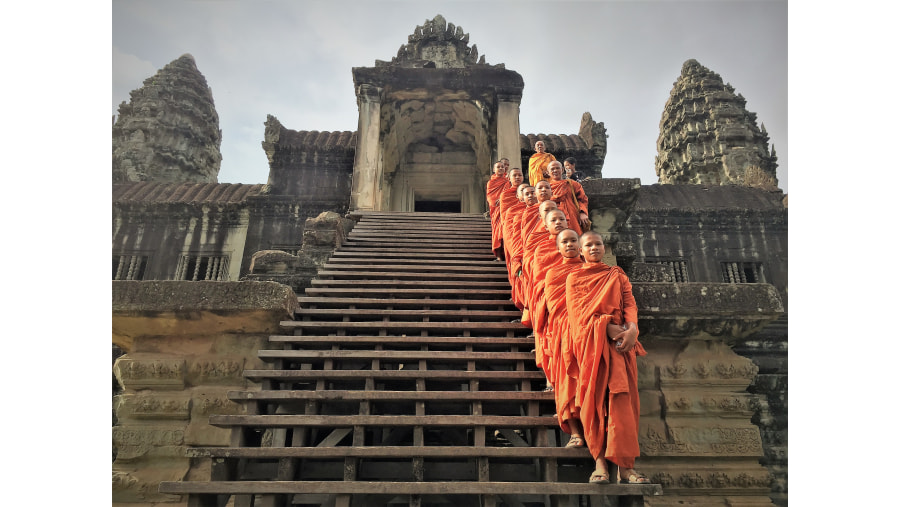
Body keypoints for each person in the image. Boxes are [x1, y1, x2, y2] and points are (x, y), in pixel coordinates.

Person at [565, 231, 649, 485]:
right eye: (588, 245)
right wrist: (612, 329)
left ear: (604, 248)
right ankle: (599, 464)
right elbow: (578, 318)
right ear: (581, 251)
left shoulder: (616, 275)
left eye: (598, 244)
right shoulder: (574, 278)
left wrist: (632, 329)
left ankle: (626, 468)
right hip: (592, 349)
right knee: (594, 406)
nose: (593, 248)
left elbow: (629, 304)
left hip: (621, 349)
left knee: (622, 406)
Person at [540, 228, 584, 440]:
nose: (569, 245)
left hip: (590, 333)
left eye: (573, 240)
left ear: (580, 244)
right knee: (567, 380)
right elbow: (554, 306)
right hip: (564, 332)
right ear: (558, 248)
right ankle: (575, 433)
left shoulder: (596, 272)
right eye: (564, 242)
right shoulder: (553, 273)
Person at [528, 208, 569, 388]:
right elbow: (537, 279)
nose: (558, 222)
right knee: (550, 342)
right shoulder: (542, 249)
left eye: (562, 219)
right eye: (553, 220)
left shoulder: (577, 247)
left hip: (573, 306)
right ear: (545, 225)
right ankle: (551, 380)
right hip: (550, 302)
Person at [507, 185, 536, 310]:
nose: (530, 196)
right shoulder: (518, 216)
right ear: (521, 197)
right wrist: (517, 258)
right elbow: (515, 239)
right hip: (526, 255)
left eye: (532, 192)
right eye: (526, 194)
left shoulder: (547, 210)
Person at [547, 160, 590, 236]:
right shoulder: (546, 188)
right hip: (554, 218)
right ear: (548, 172)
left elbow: (582, 199)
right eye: (552, 169)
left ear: (562, 170)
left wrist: (582, 212)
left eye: (557, 168)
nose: (555, 171)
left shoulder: (572, 184)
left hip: (572, 216)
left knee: (574, 238)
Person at [486, 161, 510, 260]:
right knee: (498, 231)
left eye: (502, 167)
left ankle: (507, 254)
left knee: (505, 231)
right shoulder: (491, 182)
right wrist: (500, 201)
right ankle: (499, 255)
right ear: (494, 170)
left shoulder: (508, 181)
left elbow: (511, 194)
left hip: (507, 209)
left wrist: (503, 200)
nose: (500, 168)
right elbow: (491, 198)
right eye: (498, 167)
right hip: (497, 210)